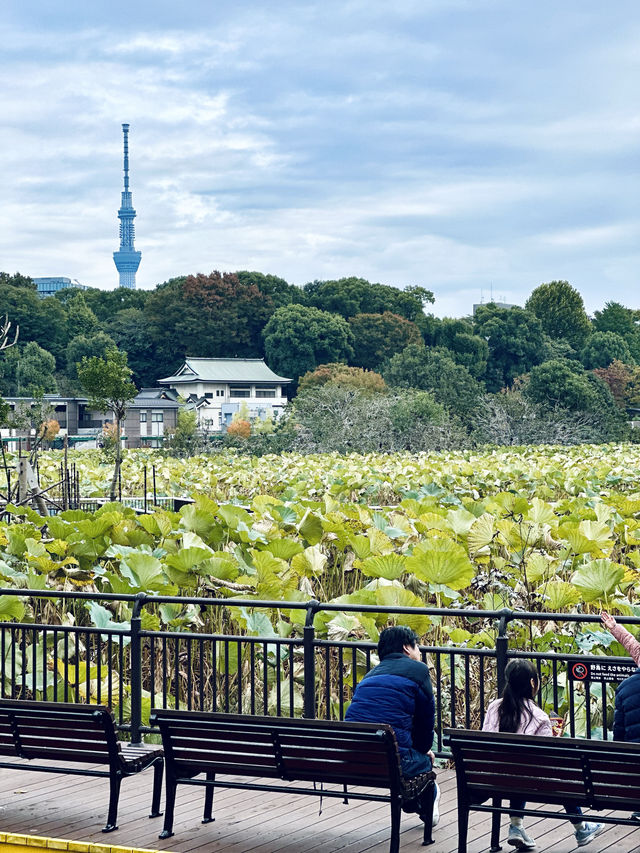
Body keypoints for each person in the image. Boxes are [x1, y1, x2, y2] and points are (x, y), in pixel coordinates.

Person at [483, 660, 604, 850]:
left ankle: (516, 826)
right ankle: (581, 827)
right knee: (560, 776)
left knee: (516, 767)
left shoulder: (494, 707)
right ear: (532, 683)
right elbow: (551, 761)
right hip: (534, 783)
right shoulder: (539, 717)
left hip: (494, 777)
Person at [345, 625, 440, 826]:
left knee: (405, 756)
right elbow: (425, 724)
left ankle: (413, 802)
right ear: (407, 648)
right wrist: (424, 752)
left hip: (355, 759)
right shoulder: (419, 671)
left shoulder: (369, 676)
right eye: (417, 647)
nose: (420, 652)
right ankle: (421, 803)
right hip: (393, 763)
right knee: (424, 762)